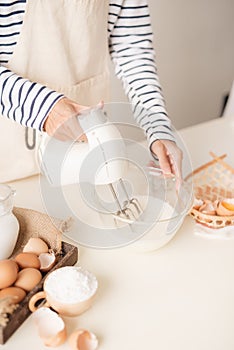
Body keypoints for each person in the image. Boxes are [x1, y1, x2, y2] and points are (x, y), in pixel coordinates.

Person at [0, 0, 182, 183]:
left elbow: (132, 51)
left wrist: (157, 127)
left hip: (83, 161)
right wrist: (45, 108)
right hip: (8, 173)